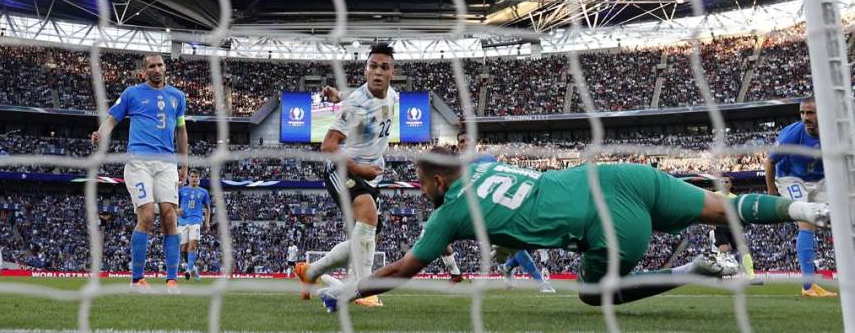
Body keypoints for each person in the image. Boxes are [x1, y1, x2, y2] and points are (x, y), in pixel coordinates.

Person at [317, 148, 830, 311]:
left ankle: (694, 268)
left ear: (433, 181)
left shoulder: (447, 212)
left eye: (422, 182)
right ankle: (801, 211)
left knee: (592, 296)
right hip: (621, 176)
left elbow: (406, 267)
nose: (421, 189)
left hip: (609, 226)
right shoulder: (485, 164)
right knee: (726, 206)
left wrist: (350, 289)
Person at [295, 42, 398, 307]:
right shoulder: (356, 105)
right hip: (343, 168)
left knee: (363, 239)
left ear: (392, 72)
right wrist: (359, 168)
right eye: (373, 66)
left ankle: (310, 271)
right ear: (366, 70)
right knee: (367, 213)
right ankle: (365, 290)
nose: (377, 72)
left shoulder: (393, 96)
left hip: (371, 173)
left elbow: (361, 101)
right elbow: (328, 146)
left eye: (383, 67)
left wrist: (339, 95)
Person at [91, 53, 188, 292]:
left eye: (160, 65)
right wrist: (101, 133)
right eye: (151, 66)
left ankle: (172, 279)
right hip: (138, 162)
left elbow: (181, 131)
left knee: (169, 216)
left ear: (165, 68)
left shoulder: (178, 96)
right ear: (143, 72)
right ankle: (137, 279)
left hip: (167, 163)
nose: (156, 69)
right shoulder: (131, 94)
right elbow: (112, 119)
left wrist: (185, 163)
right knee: (146, 216)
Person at [456, 130, 554, 293]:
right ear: (458, 147)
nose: (464, 143)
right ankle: (540, 283)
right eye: (461, 141)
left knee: (530, 242)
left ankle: (507, 267)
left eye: (467, 140)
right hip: (485, 214)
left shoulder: (487, 158)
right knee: (517, 245)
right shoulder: (456, 167)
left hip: (505, 205)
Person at [765, 97, 836, 297]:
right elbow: (769, 163)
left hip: (819, 179)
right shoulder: (792, 134)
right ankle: (808, 286)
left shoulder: (834, 133)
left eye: (810, 113)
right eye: (803, 113)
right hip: (790, 178)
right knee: (806, 221)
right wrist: (772, 195)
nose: (806, 117)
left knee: (839, 220)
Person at [709, 176, 756, 281]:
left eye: (726, 182)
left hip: (733, 227)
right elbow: (709, 208)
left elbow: (739, 214)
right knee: (723, 249)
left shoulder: (735, 198)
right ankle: (719, 273)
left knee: (743, 249)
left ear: (730, 184)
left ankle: (752, 276)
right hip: (720, 226)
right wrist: (710, 221)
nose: (724, 184)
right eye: (721, 182)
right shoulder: (714, 195)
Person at [178, 170, 211, 280]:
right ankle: (193, 268)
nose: (194, 178)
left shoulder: (203, 192)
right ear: (188, 177)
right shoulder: (182, 190)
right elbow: (174, 204)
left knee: (192, 245)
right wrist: (177, 210)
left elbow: (208, 208)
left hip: (196, 221)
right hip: (182, 222)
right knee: (183, 249)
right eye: (192, 176)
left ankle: (188, 270)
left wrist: (207, 221)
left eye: (196, 176)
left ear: (199, 178)